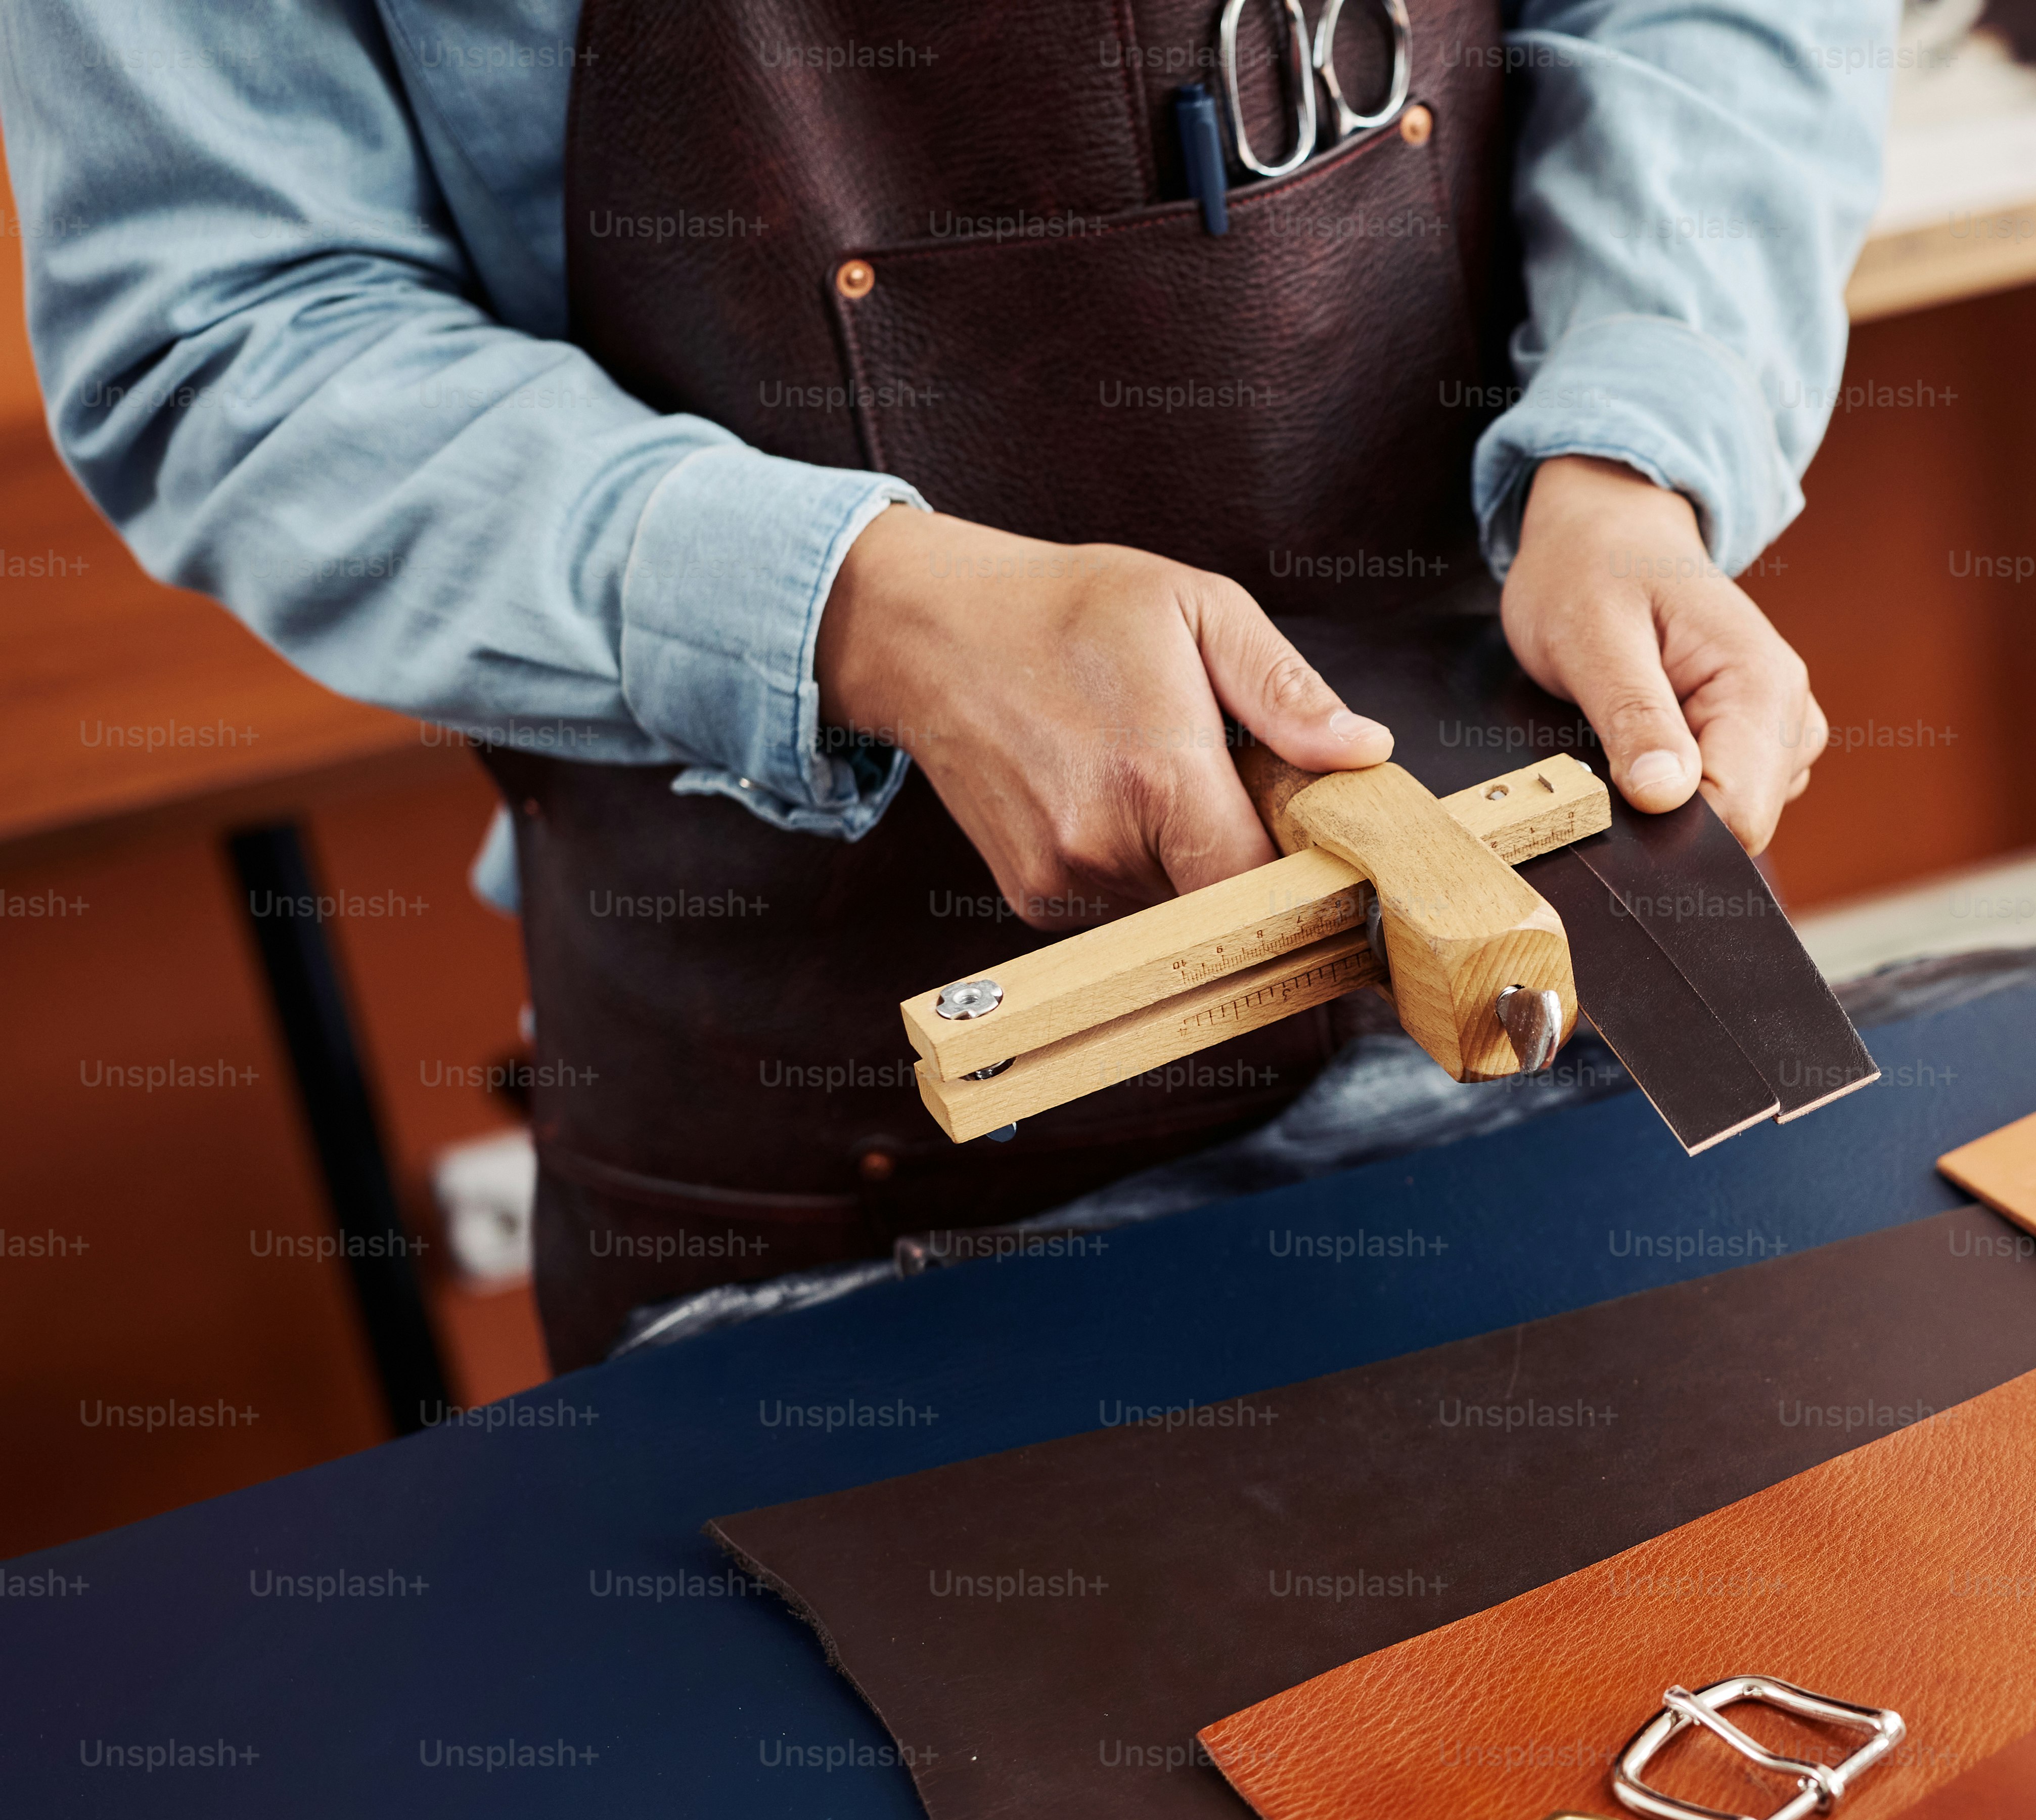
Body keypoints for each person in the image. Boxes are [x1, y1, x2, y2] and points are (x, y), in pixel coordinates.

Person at [0, 0, 1890, 1363]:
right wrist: (867, 612)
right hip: (849, 1167)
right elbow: (229, 338)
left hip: (1582, 992)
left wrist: (1642, 449)